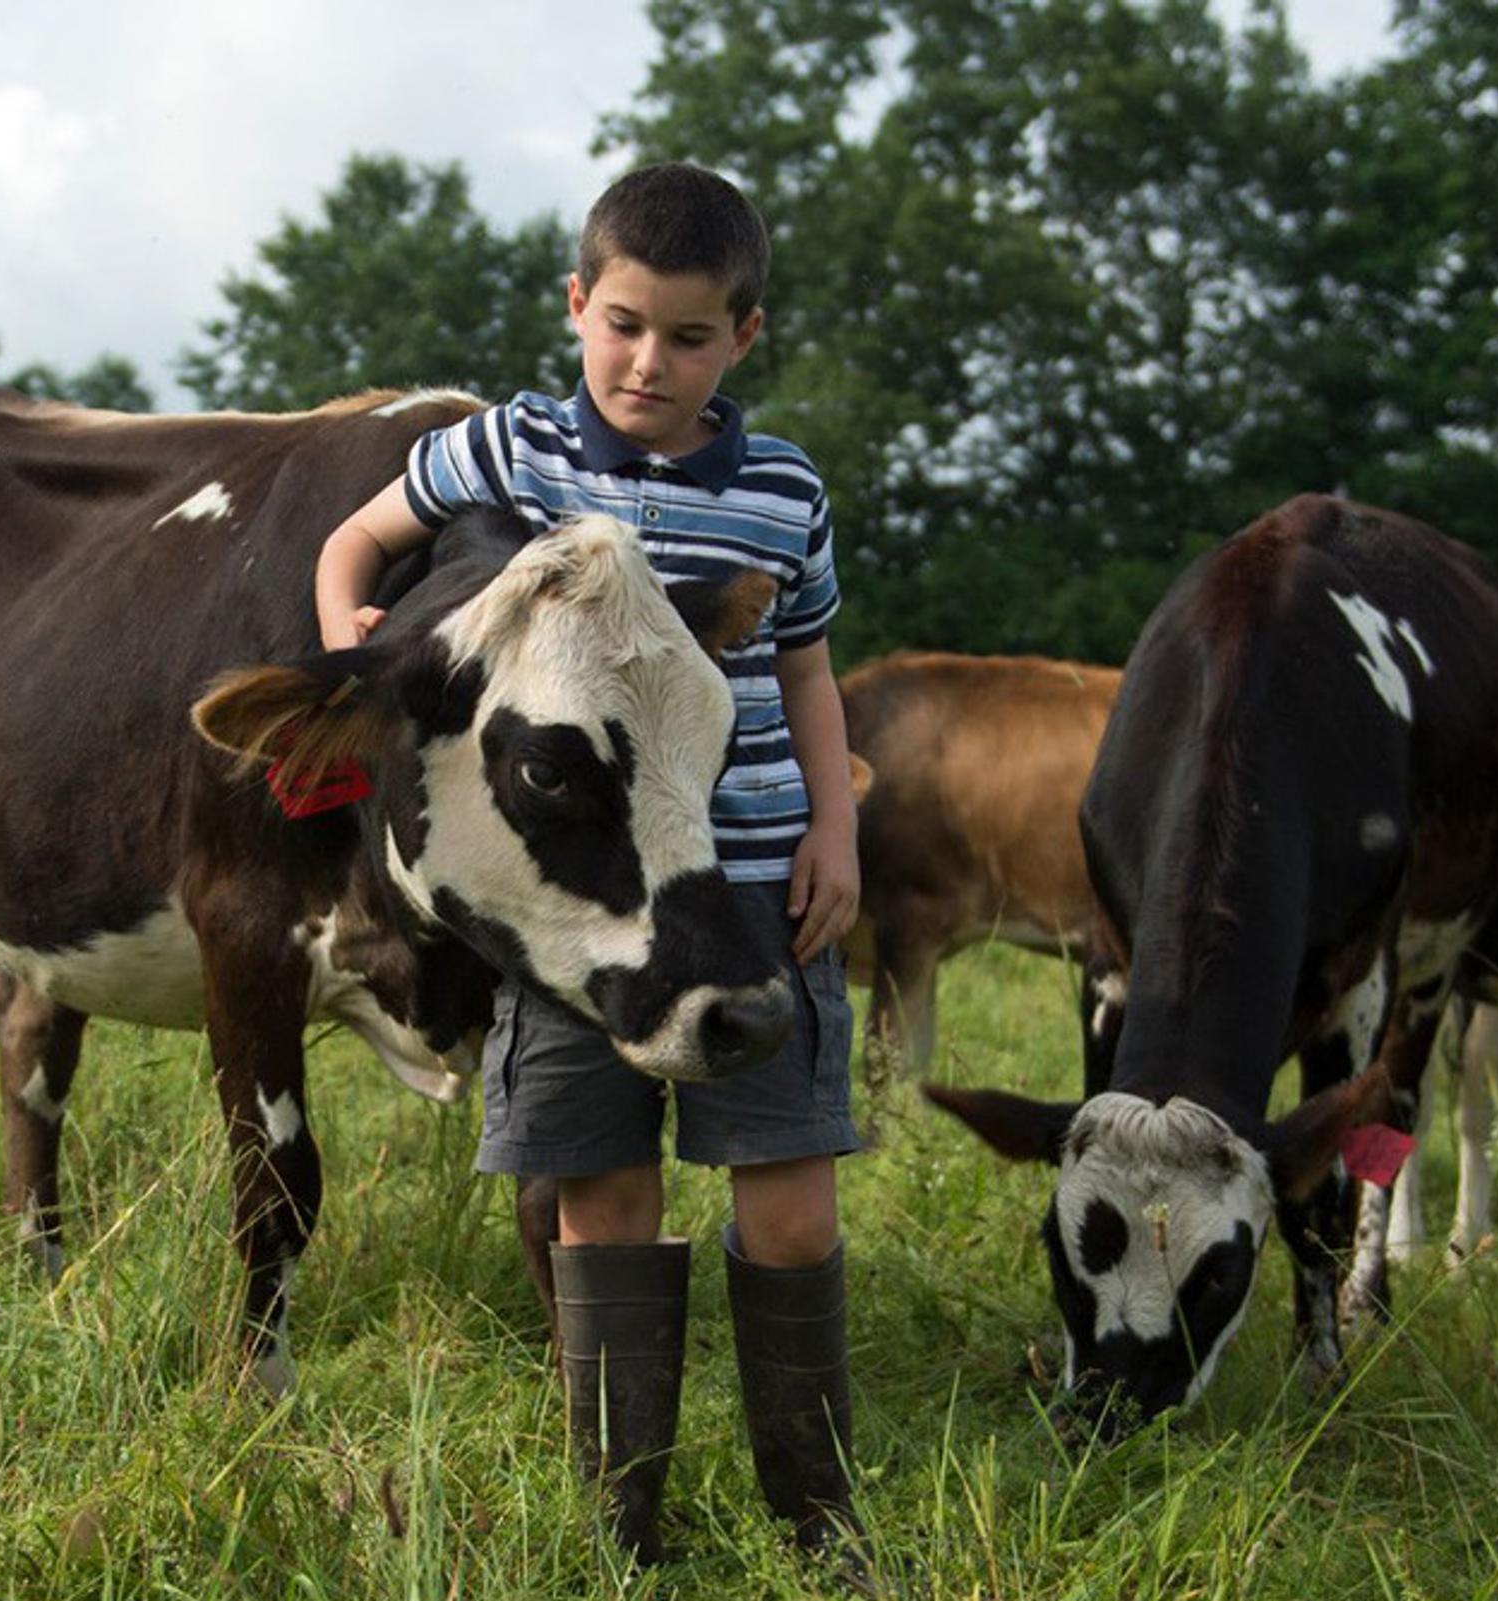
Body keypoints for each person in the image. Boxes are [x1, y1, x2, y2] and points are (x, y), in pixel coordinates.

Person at [308, 160, 862, 1565]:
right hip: (579, 908)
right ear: (576, 305)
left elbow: (803, 666)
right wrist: (349, 663)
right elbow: (358, 540)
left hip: (748, 890)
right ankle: (626, 1525)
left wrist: (835, 825)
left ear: (745, 336)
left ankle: (817, 1511)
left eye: (687, 336)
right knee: (602, 1201)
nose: (646, 361)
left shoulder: (783, 487)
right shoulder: (509, 450)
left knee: (790, 1208)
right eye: (621, 323)